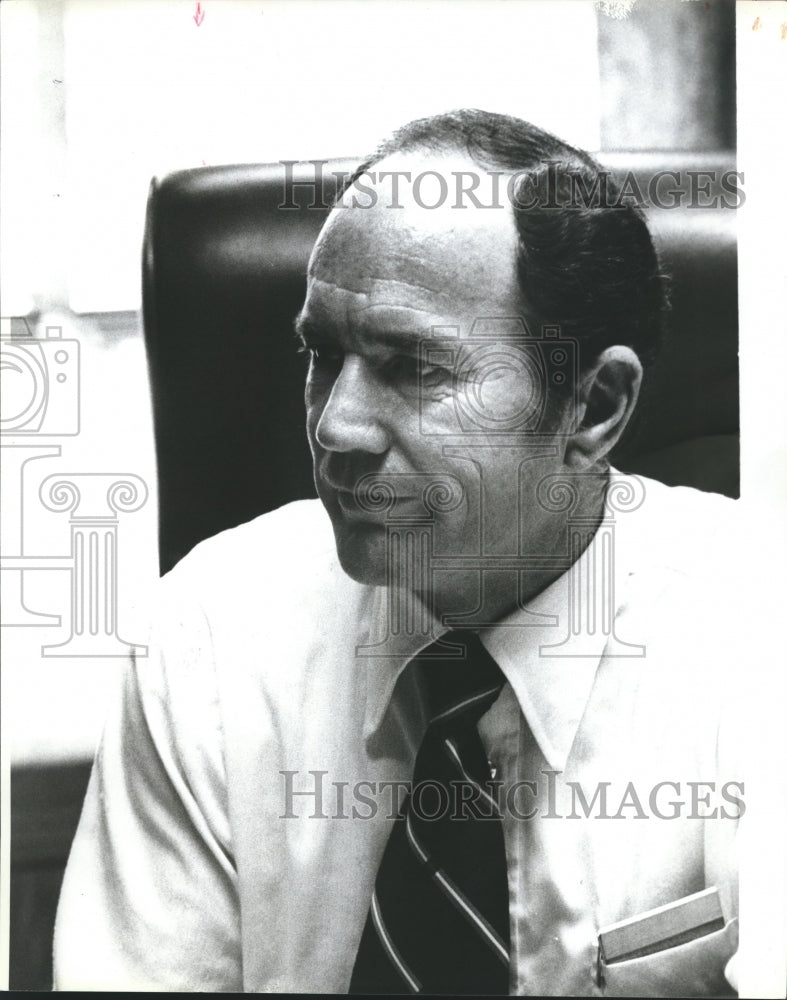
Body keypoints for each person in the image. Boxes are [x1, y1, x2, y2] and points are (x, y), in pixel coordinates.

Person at [54, 110, 742, 995]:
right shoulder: (211, 639)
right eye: (321, 354)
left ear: (592, 406)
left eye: (413, 366)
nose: (334, 426)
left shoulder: (755, 637)